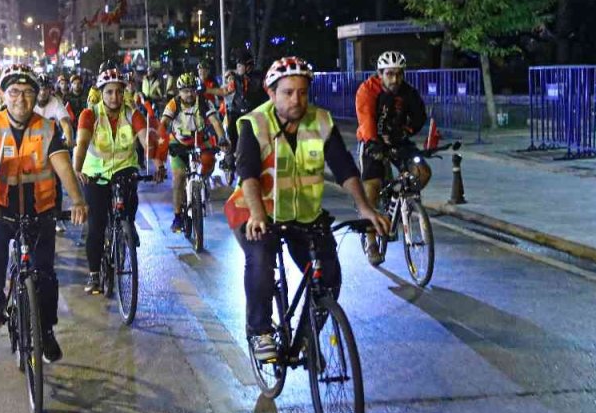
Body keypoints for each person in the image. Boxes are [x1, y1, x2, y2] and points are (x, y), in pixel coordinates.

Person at [225, 57, 389, 363]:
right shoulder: (255, 124)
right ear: (271, 93)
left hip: (305, 215)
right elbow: (248, 173)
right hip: (257, 211)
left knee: (329, 276)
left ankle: (306, 338)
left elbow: (344, 168)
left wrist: (364, 208)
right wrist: (257, 214)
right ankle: (260, 331)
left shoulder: (321, 121)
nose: (296, 100)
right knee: (260, 260)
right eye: (288, 93)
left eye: (302, 92)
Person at [0, 64, 87, 362]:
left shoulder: (48, 128)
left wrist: (77, 201)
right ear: (3, 95)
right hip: (1, 207)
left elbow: (63, 167)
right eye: (14, 92)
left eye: (28, 92)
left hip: (40, 208)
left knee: (46, 274)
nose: (21, 99)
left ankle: (47, 331)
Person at [73, 68, 168, 294]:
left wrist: (157, 163)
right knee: (96, 226)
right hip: (95, 173)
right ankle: (94, 275)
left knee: (130, 195)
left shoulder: (132, 114)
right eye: (109, 92)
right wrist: (77, 169)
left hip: (124, 167)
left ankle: (128, 224)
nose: (114, 97)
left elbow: (145, 140)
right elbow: (82, 143)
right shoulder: (90, 114)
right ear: (101, 93)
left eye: (118, 91)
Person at [355, 51, 429, 264]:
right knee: (372, 187)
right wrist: (373, 143)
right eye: (389, 74)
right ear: (380, 74)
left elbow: (419, 116)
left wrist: (405, 132)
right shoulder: (367, 90)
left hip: (397, 141)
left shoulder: (408, 92)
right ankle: (371, 241)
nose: (395, 79)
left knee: (423, 172)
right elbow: (366, 119)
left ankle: (397, 201)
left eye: (399, 74)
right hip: (372, 141)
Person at [163, 73, 230, 232]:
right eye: (185, 91)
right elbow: (164, 123)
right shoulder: (173, 104)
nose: (189, 94)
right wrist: (161, 141)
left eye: (192, 90)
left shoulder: (204, 102)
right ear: (179, 92)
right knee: (179, 178)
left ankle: (201, 184)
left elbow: (215, 122)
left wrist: (222, 138)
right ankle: (177, 217)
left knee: (209, 163)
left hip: (199, 141)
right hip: (178, 142)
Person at [224, 50, 269, 149]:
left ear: (248, 67)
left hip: (254, 114)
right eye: (237, 66)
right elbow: (226, 90)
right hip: (237, 113)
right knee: (230, 131)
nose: (237, 68)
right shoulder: (236, 78)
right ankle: (232, 151)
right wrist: (207, 90)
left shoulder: (260, 78)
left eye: (240, 66)